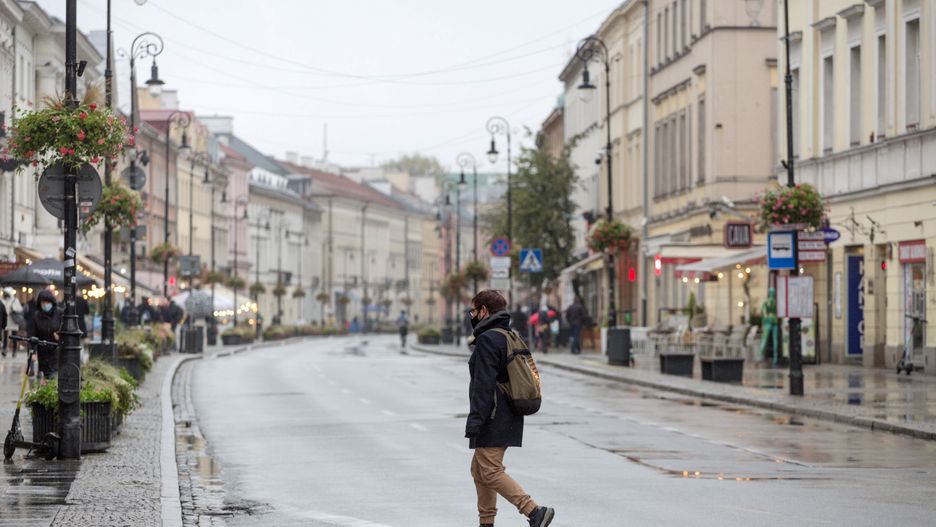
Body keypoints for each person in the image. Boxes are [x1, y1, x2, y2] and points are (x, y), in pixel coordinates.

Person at [465, 289, 555, 527]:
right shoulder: (508, 335)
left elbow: (483, 387)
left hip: (493, 415)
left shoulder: (487, 340)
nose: (472, 315)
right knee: (479, 469)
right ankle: (486, 522)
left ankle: (534, 511)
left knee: (490, 470)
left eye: (474, 310)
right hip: (508, 413)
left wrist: (475, 421)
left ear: (484, 311)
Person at [26, 289, 61, 379]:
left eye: (47, 302)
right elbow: (32, 335)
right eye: (43, 302)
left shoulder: (60, 314)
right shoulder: (36, 317)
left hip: (57, 351)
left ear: (52, 302)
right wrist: (33, 352)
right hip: (43, 352)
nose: (45, 304)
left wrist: (60, 336)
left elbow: (67, 330)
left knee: (55, 376)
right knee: (47, 376)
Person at [2, 287, 24, 356]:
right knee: (5, 336)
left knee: (14, 336)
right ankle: (5, 349)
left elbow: (20, 309)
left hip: (13, 320)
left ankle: (14, 350)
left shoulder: (15, 300)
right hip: (6, 320)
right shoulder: (3, 300)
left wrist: (13, 307)